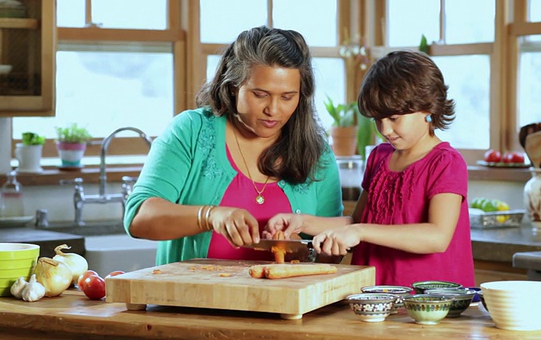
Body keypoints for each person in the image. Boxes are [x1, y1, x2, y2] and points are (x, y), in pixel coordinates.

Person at [123, 26, 344, 266]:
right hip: (189, 302)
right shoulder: (191, 131)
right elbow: (138, 218)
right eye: (260, 94)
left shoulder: (316, 151)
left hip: (284, 303)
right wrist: (209, 215)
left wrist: (302, 248)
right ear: (233, 87)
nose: (273, 109)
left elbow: (329, 251)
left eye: (287, 97)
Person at [265, 50, 475, 287]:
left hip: (428, 306)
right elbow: (355, 222)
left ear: (428, 108)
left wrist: (360, 232)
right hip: (375, 297)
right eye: (377, 119)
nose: (384, 129)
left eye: (394, 118)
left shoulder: (446, 162)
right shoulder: (379, 157)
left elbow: (437, 236)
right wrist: (301, 222)